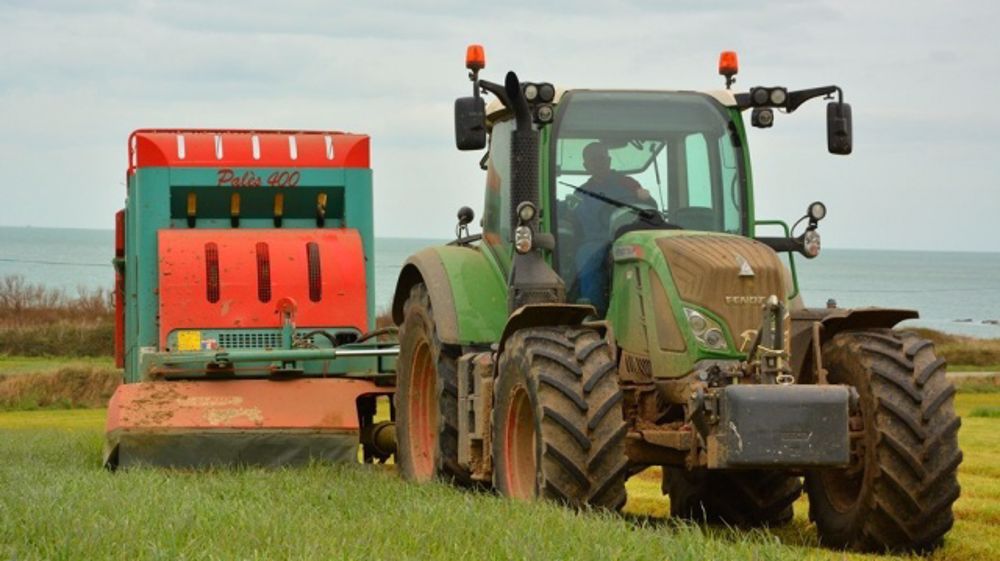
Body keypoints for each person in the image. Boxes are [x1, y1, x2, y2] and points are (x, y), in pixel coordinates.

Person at [573, 142, 655, 315]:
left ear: (609, 161)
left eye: (602, 159)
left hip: (629, 236)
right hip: (596, 241)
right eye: (594, 160)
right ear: (586, 165)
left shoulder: (628, 183)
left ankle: (650, 308)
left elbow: (648, 207)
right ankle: (594, 311)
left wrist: (646, 197)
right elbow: (574, 220)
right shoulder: (581, 192)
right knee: (586, 256)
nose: (599, 163)